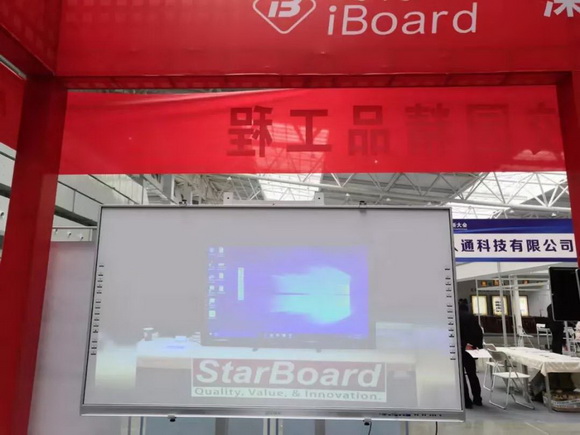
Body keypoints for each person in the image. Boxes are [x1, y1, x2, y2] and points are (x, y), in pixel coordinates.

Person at [458, 301, 483, 408]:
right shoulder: (471, 317)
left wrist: (463, 344)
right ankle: (477, 398)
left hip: (460, 348)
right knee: (472, 374)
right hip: (471, 349)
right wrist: (477, 346)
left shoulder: (456, 317)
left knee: (461, 376)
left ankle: (466, 400)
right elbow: (479, 333)